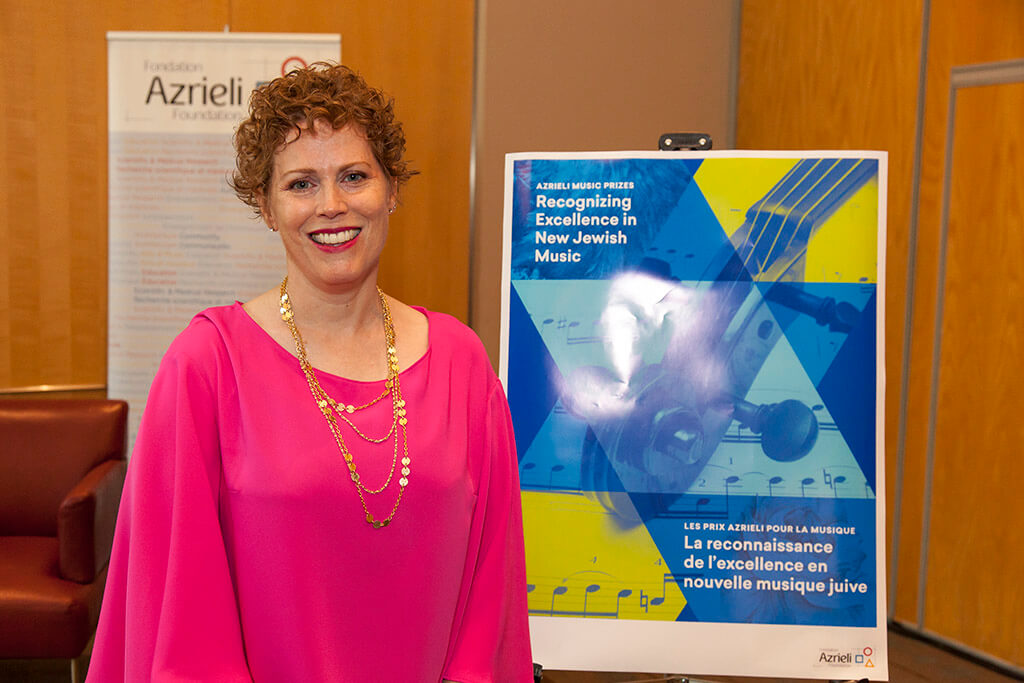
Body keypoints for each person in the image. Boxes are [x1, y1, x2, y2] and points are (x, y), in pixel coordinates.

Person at [87, 63, 533, 682]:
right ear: (266, 207)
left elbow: (493, 591)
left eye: (354, 176)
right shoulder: (207, 367)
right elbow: (181, 613)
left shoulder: (462, 363)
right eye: (301, 183)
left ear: (392, 189)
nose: (332, 205)